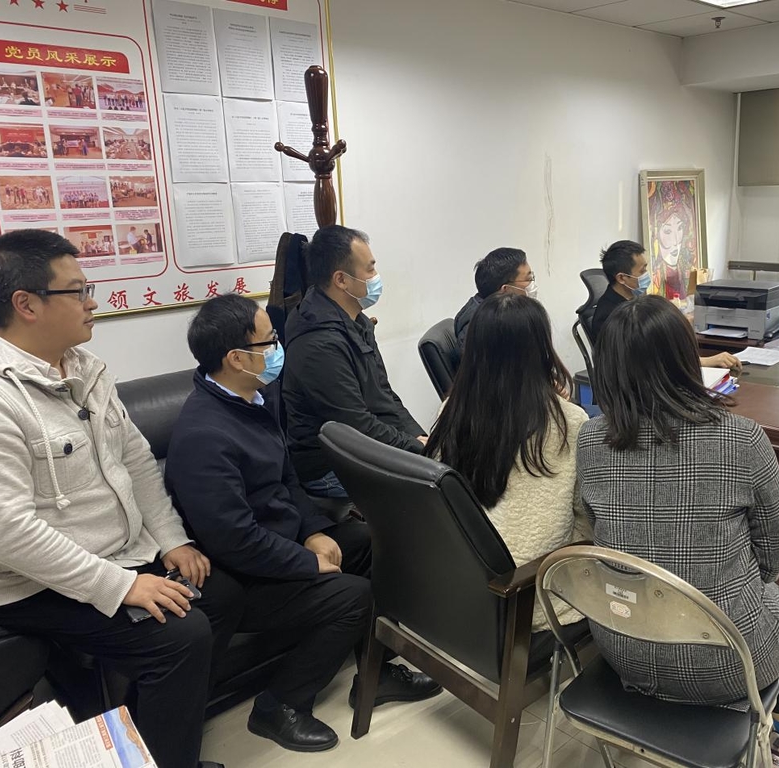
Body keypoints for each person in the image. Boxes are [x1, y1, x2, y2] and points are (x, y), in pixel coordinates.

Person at [0, 230, 221, 768]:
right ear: (26, 304)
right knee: (179, 637)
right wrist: (122, 586)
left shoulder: (85, 368)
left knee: (217, 590)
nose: (92, 303)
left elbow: (135, 460)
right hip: (23, 583)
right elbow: (8, 534)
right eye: (78, 291)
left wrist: (171, 539)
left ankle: (147, 747)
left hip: (112, 552)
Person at [165, 294, 439, 753]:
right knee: (354, 595)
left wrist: (314, 531)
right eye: (269, 341)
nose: (278, 348)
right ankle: (279, 705)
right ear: (237, 358)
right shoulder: (205, 435)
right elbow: (234, 541)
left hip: (282, 540)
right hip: (244, 574)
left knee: (374, 541)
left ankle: (377, 670)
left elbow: (286, 478)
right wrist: (306, 562)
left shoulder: (254, 398)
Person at [577, 295, 779, 768]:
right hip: (728, 660)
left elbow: (596, 529)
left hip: (621, 647)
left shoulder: (590, 441)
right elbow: (776, 550)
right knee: (776, 601)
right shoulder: (742, 437)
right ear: (686, 360)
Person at [426, 293, 588, 630]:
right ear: (540, 350)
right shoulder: (569, 423)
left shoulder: (452, 409)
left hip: (461, 586)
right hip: (532, 594)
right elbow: (586, 514)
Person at [283, 225, 427, 512]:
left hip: (363, 444)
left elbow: (384, 395)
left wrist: (419, 437)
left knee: (447, 467)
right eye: (370, 269)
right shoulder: (318, 343)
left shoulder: (356, 320)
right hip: (330, 465)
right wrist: (417, 450)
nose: (376, 277)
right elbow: (355, 425)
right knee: (435, 493)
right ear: (341, 280)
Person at [591, 240, 739, 370]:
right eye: (642, 271)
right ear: (622, 278)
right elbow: (644, 358)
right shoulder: (611, 315)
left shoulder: (631, 299)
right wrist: (704, 362)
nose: (646, 274)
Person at [453, 247, 536, 349]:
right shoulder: (485, 328)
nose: (532, 284)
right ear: (505, 289)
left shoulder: (483, 309)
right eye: (528, 279)